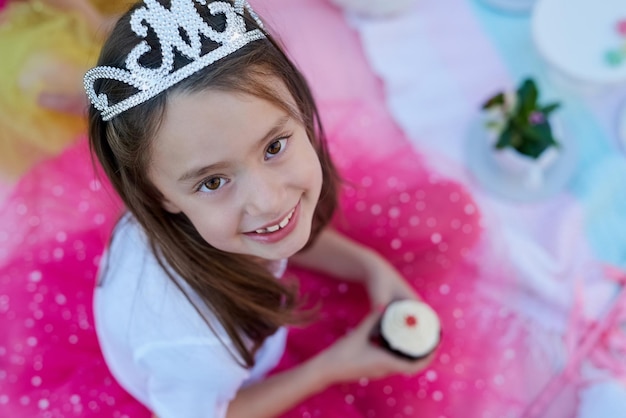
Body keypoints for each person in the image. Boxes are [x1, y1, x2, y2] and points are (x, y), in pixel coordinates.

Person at [84, 0, 503, 417]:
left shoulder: (233, 216)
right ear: (158, 197)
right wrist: (331, 367)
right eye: (213, 182)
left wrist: (370, 267)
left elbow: (280, 226)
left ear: (299, 108)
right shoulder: (194, 346)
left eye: (274, 147)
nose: (270, 201)